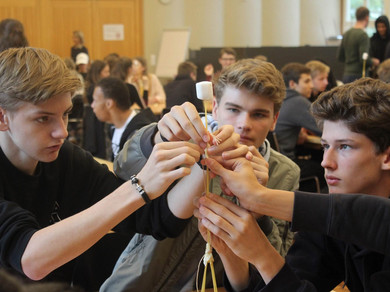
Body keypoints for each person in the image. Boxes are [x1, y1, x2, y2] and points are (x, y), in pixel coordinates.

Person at [0, 47, 210, 290]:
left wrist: (205, 162)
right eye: (43, 118)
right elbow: (31, 260)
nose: (63, 132)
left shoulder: (66, 159)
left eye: (65, 114)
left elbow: (155, 219)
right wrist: (139, 188)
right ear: (3, 118)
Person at [100, 58, 300, 291]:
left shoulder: (284, 172)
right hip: (136, 281)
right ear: (215, 107)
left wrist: (260, 208)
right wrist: (154, 137)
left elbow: (275, 264)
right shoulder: (185, 141)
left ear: (274, 119)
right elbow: (121, 168)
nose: (244, 124)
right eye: (234, 109)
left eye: (258, 115)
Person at [196, 77, 390, 291]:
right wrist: (232, 252)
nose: (326, 162)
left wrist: (259, 200)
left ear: (386, 157)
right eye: (325, 146)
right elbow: (292, 280)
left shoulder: (329, 212)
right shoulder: (326, 223)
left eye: (345, 147)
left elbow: (375, 217)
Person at [275, 62, 325, 192]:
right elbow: (326, 129)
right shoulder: (298, 101)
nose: (311, 85)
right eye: (307, 81)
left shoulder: (280, 98)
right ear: (292, 84)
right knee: (325, 169)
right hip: (287, 164)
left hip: (275, 163)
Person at [91, 77, 157, 160]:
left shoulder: (139, 133)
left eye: (95, 100)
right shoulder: (112, 127)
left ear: (109, 104)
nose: (92, 105)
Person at [338, 6, 380, 83]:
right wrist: (373, 61)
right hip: (359, 76)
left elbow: (340, 56)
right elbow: (364, 60)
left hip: (346, 75)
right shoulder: (363, 35)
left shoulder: (347, 34)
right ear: (367, 18)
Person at [82, 59, 110, 159]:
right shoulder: (95, 88)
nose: (108, 74)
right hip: (95, 121)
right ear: (98, 73)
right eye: (106, 72)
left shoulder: (92, 86)